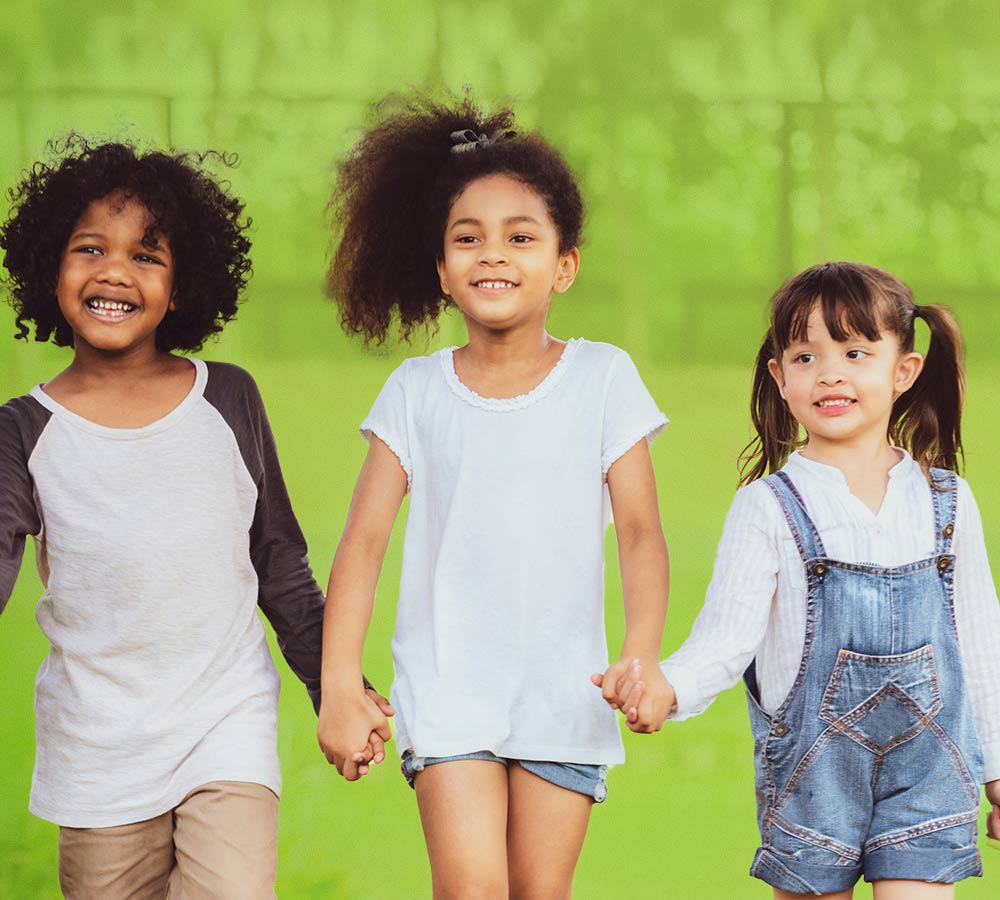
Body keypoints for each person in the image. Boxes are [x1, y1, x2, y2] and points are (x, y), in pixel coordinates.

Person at [0, 136, 388, 899]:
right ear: (52, 269)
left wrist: (336, 686)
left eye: (147, 255)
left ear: (180, 289)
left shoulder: (228, 399)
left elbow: (280, 567)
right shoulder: (22, 431)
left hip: (224, 724)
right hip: (97, 751)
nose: (115, 270)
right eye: (89, 249)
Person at [317, 93, 674, 898]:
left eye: (521, 237)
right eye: (468, 238)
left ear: (565, 264)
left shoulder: (603, 377)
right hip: (448, 692)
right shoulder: (414, 392)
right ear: (441, 269)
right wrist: (341, 683)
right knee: (471, 889)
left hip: (564, 696)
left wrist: (641, 655)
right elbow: (363, 545)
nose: (493, 255)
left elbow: (642, 536)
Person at [656, 261, 1000, 899]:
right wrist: (668, 689)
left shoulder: (947, 499)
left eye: (855, 351)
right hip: (815, 774)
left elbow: (980, 641)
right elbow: (726, 639)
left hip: (932, 768)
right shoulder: (769, 505)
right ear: (779, 377)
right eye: (806, 355)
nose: (831, 372)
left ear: (904, 371)